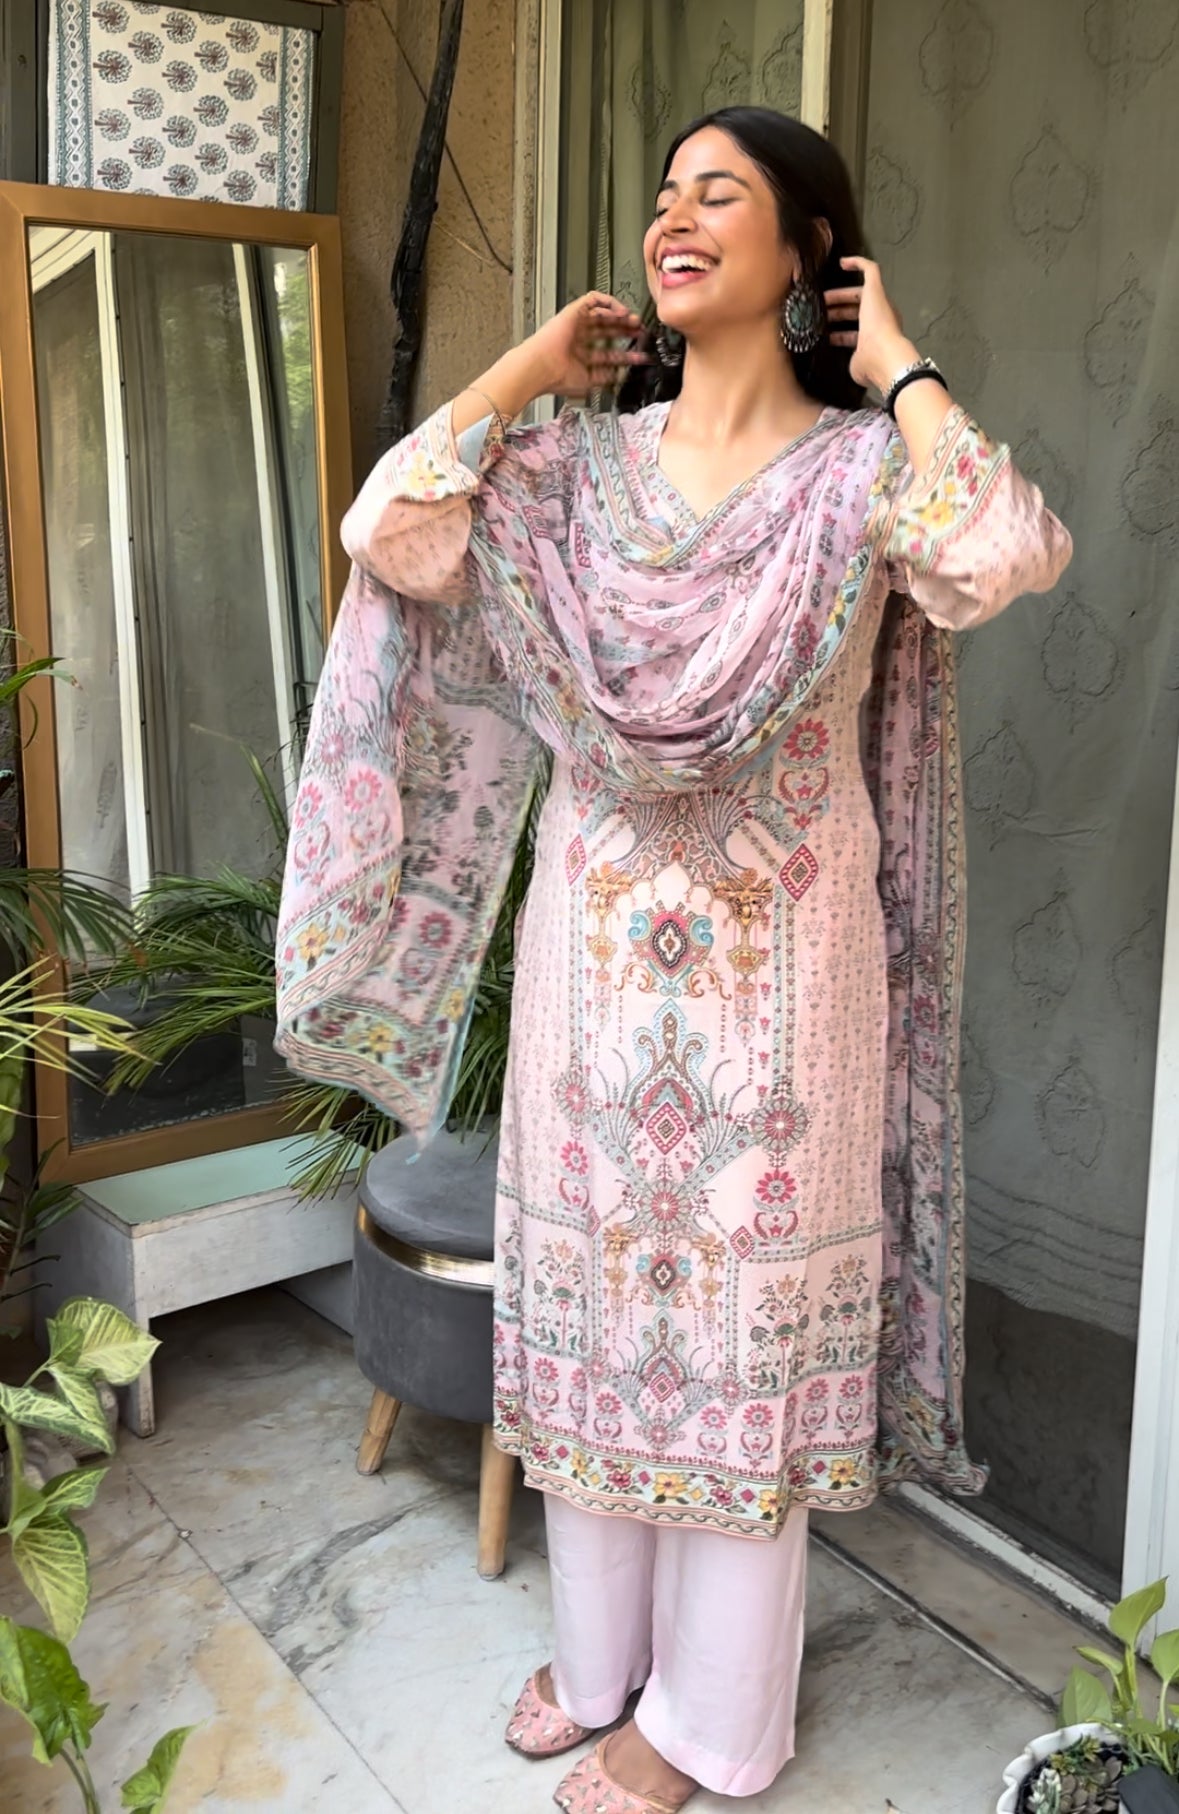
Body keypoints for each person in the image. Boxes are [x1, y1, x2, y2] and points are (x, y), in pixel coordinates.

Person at [276, 108, 1071, 1813]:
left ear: (807, 254)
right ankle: (599, 1662)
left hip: (783, 979)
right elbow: (390, 530)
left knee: (736, 1336)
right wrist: (525, 372)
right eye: (663, 198)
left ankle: (714, 1724)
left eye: (722, 194)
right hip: (592, 960)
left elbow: (1003, 549)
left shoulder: (861, 476)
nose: (675, 219)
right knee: (590, 1301)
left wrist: (901, 364)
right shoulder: (576, 473)